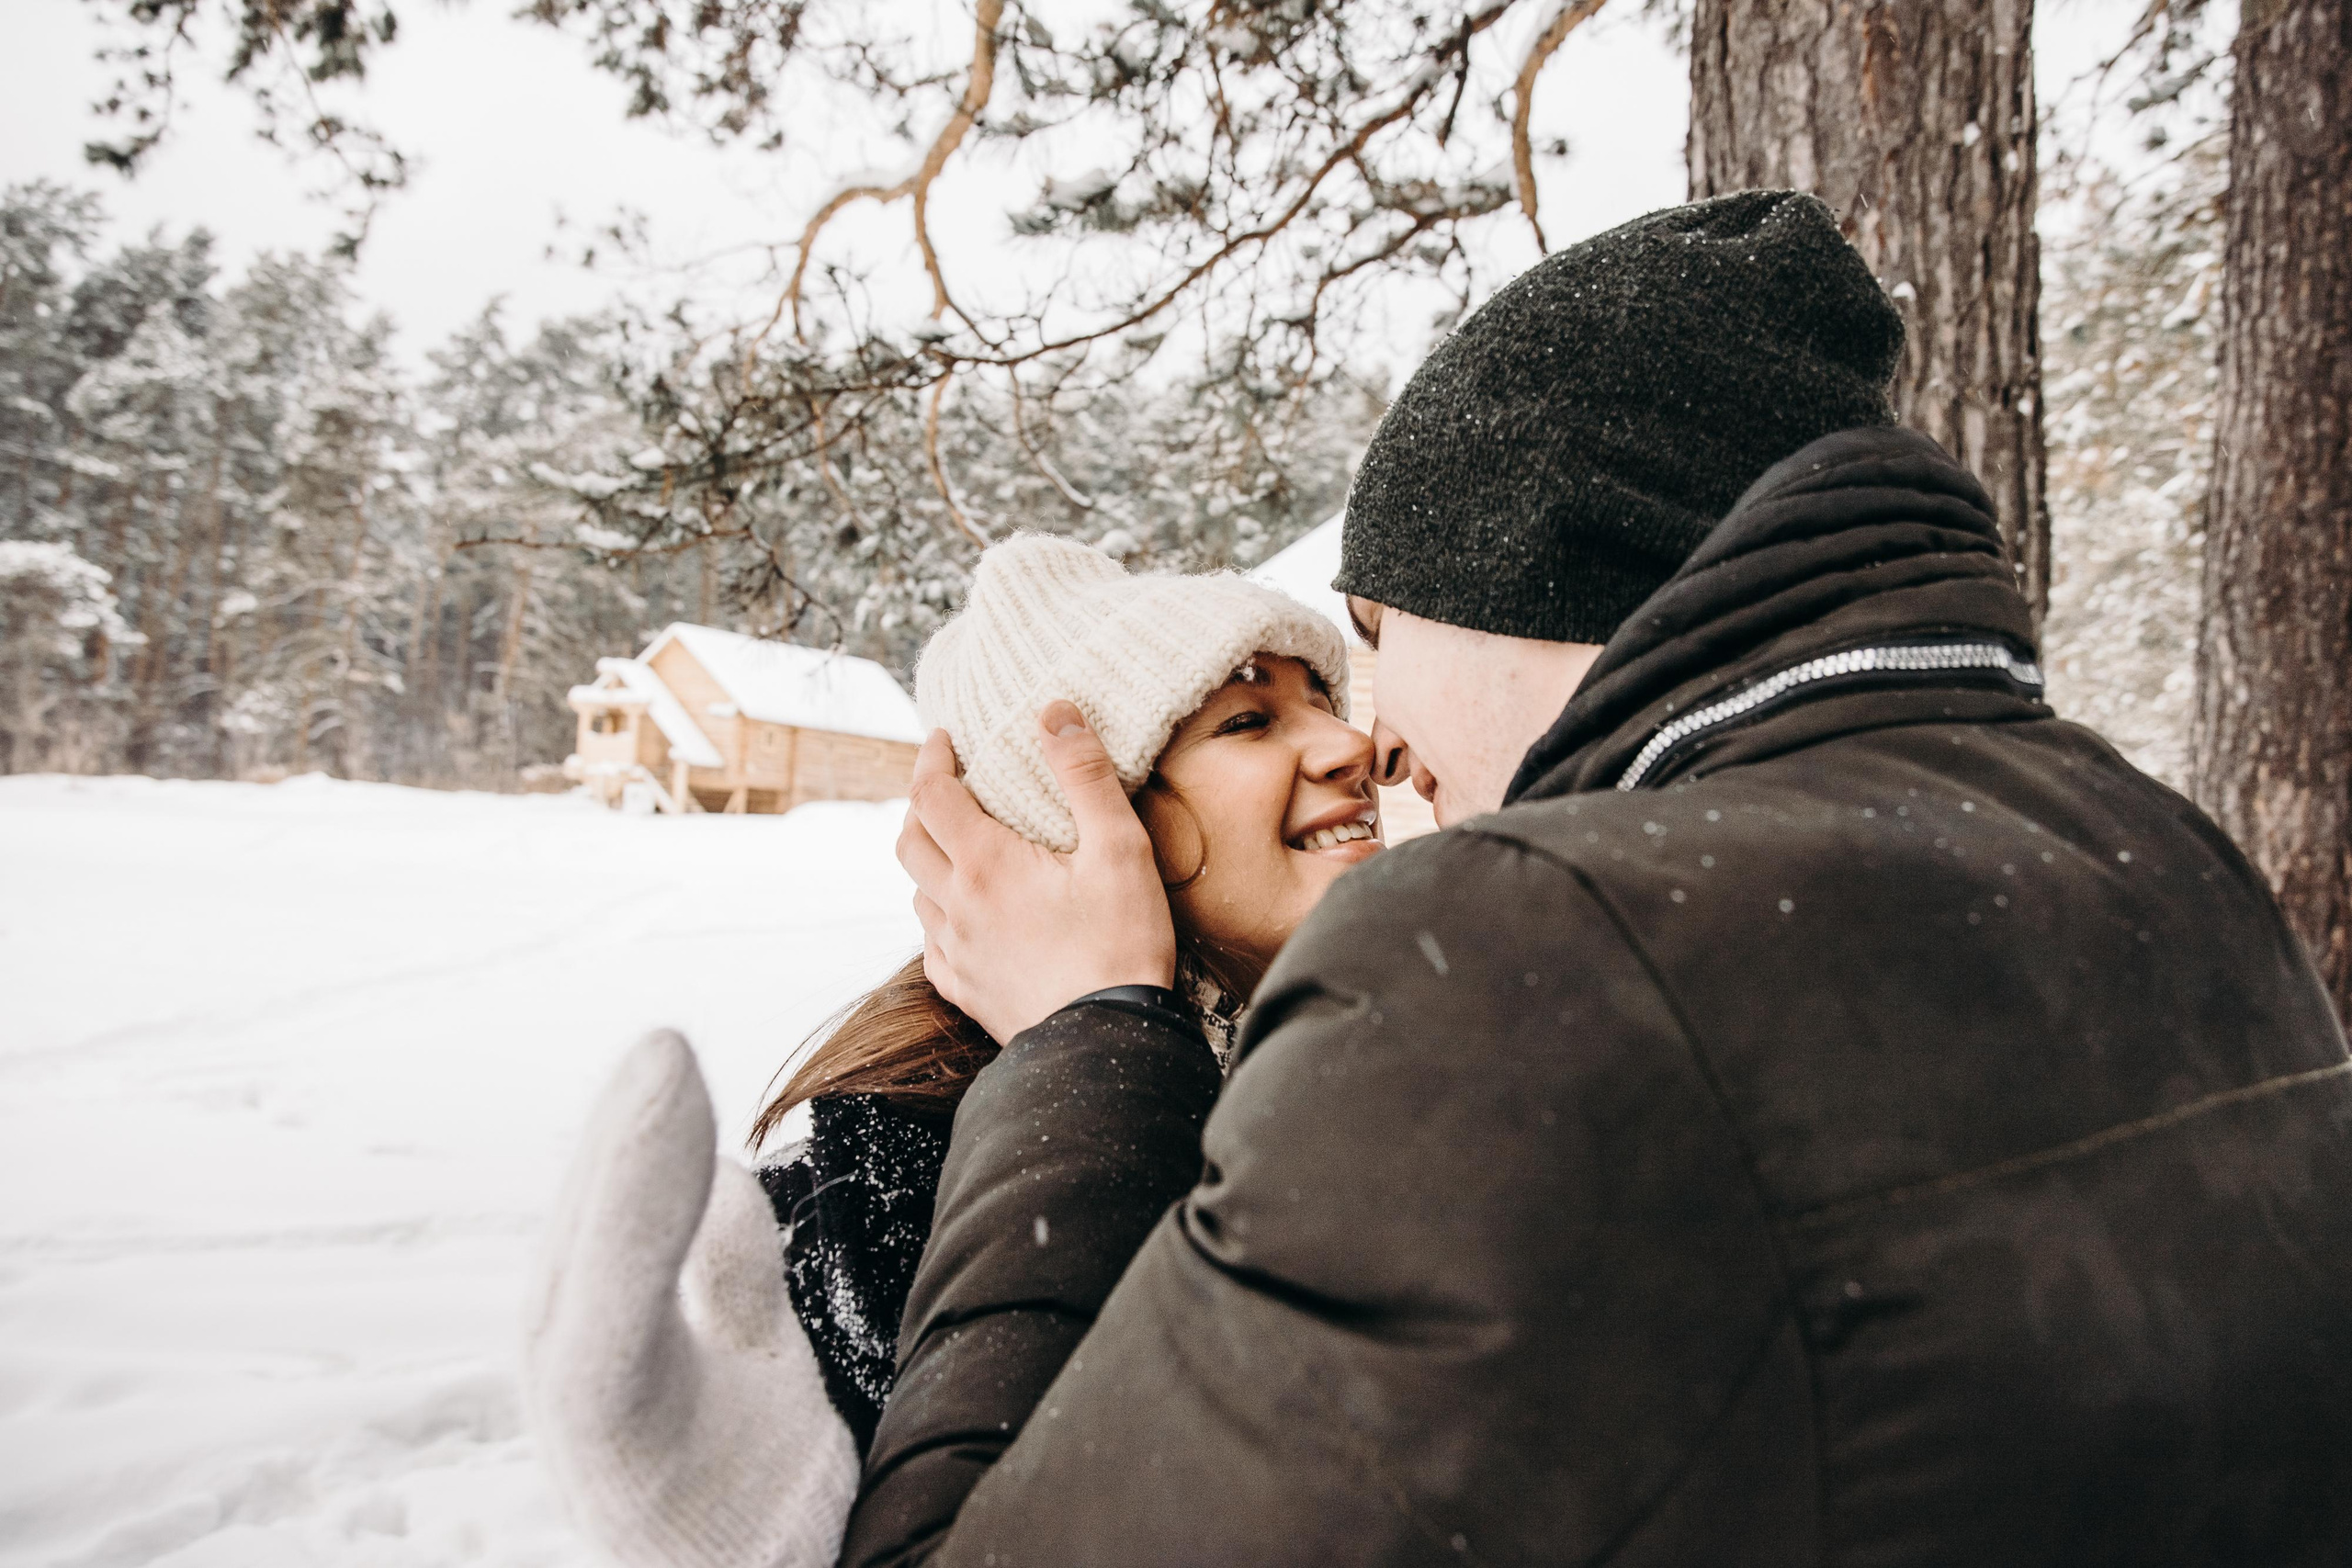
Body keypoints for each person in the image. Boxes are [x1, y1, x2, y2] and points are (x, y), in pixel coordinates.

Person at [864, 189, 2352, 1565]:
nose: (1375, 738)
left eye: (1375, 633)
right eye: (1261, 714)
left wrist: (1082, 1042)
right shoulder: (2153, 841)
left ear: (1528, 589)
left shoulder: (1534, 944)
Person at [522, 533, 1382, 1568]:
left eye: (1324, 701)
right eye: (1248, 720)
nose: (1350, 745)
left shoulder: (1386, 1069)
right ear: (1071, 831)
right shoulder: (902, 1199)